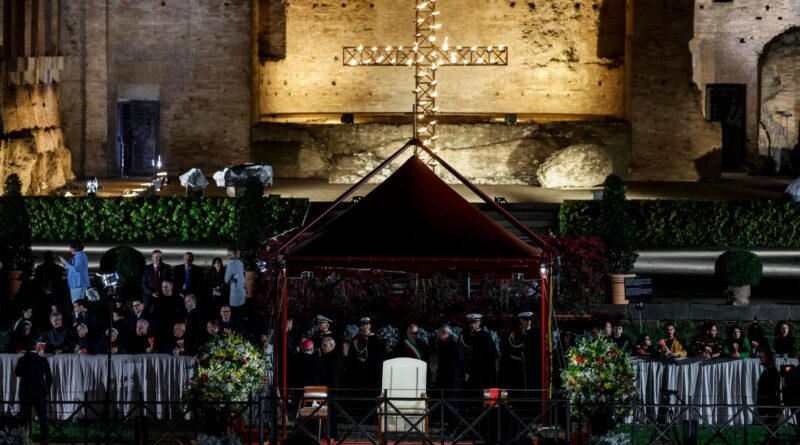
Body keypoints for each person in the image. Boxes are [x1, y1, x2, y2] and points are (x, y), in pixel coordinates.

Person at [15, 340, 53, 444]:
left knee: (24, 418)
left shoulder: (21, 360)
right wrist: (47, 388)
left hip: (25, 392)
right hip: (39, 392)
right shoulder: (43, 360)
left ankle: (23, 439)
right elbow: (49, 377)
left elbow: (17, 373)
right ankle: (45, 439)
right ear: (36, 348)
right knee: (42, 417)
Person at [500, 311, 541, 393]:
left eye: (529, 319)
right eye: (525, 319)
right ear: (521, 321)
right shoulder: (516, 335)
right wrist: (518, 358)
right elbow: (508, 352)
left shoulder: (536, 334)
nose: (528, 322)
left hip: (532, 366)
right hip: (518, 367)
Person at [459, 313, 498, 390]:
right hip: (469, 367)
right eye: (471, 323)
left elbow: (492, 354)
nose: (473, 325)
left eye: (475, 323)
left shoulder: (485, 336)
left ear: (479, 322)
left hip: (482, 369)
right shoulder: (464, 335)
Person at [348, 316, 384, 392]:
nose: (365, 326)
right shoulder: (356, 339)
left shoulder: (376, 339)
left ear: (370, 325)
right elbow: (351, 355)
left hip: (372, 369)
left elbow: (379, 356)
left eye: (367, 324)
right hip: (359, 370)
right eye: (363, 325)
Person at [320, 336, 344, 441]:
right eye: (322, 345)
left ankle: (332, 435)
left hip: (332, 389)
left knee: (332, 414)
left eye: (324, 345)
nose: (322, 347)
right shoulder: (330, 355)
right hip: (330, 388)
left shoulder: (333, 356)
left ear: (331, 346)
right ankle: (329, 434)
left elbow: (330, 373)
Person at [757, 350, 782, 442]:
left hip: (770, 405)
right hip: (766, 405)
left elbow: (772, 390)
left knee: (772, 428)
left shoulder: (772, 372)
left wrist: (764, 405)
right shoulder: (768, 370)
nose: (760, 359)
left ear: (769, 358)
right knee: (770, 428)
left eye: (763, 357)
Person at [224, 247, 246, 316]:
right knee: (236, 313)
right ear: (234, 253)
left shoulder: (240, 263)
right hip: (235, 293)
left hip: (242, 291)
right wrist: (235, 280)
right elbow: (226, 280)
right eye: (237, 251)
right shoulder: (230, 264)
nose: (239, 252)